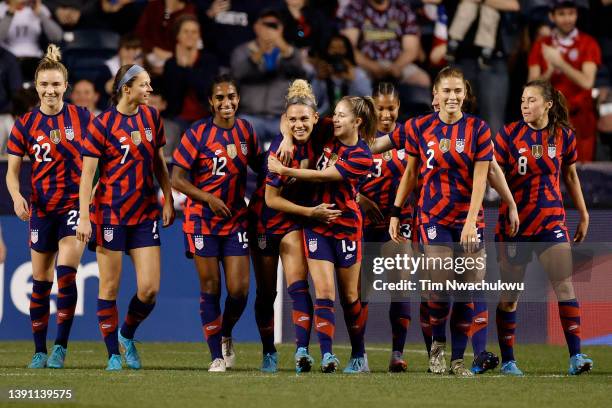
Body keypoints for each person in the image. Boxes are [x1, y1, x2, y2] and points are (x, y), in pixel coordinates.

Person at [388, 66, 493, 377]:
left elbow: (481, 179)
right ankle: (438, 344)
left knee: (468, 286)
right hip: (433, 215)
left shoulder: (478, 129)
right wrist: (396, 211)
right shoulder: (421, 127)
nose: (452, 96)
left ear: (465, 94)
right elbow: (410, 173)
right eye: (446, 91)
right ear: (436, 94)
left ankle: (458, 360)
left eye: (457, 91)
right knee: (441, 285)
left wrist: (471, 222)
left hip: (469, 217)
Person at [77, 64, 175, 371]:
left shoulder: (151, 118)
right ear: (126, 88)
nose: (149, 90)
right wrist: (83, 217)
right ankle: (113, 355)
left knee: (149, 289)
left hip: (145, 214)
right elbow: (87, 175)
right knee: (109, 287)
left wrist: (168, 197)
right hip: (110, 214)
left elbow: (159, 162)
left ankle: (127, 334)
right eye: (144, 85)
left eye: (150, 85)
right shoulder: (102, 124)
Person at [268, 96, 375, 374]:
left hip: (346, 225)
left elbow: (322, 176)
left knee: (350, 297)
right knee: (324, 291)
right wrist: (286, 139)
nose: (335, 119)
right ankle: (327, 355)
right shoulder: (328, 132)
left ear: (357, 122)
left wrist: (284, 169)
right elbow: (293, 116)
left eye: (341, 116)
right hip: (317, 224)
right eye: (335, 115)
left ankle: (359, 354)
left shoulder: (362, 156)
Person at [493, 79, 592, 376]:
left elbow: (571, 178)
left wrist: (584, 214)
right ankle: (508, 361)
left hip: (551, 222)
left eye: (532, 100)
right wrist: (508, 203)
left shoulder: (563, 137)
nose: (525, 105)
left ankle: (576, 356)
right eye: (523, 100)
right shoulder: (508, 135)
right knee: (510, 296)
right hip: (515, 225)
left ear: (548, 104)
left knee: (564, 284)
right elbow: (492, 173)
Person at [6, 44, 93, 369]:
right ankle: (39, 350)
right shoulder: (25, 125)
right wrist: (16, 197)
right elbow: (12, 173)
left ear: (65, 86)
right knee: (41, 283)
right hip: (41, 210)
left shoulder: (82, 118)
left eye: (56, 84)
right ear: (36, 86)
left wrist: (88, 205)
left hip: (73, 206)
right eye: (44, 84)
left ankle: (60, 348)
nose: (50, 90)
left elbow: (96, 165)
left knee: (66, 275)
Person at [171, 75, 262, 373]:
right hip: (201, 221)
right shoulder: (197, 134)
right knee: (210, 288)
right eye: (220, 98)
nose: (227, 103)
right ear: (210, 102)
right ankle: (216, 357)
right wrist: (208, 198)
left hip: (235, 219)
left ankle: (225, 333)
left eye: (231, 96)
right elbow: (177, 179)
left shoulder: (247, 131)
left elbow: (261, 169)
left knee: (239, 291)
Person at [248, 79, 340, 373]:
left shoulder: (322, 129)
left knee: (297, 285)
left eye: (304, 119)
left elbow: (345, 122)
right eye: (293, 121)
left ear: (314, 117)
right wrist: (310, 212)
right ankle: (267, 351)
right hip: (266, 218)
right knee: (265, 294)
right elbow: (271, 199)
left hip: (295, 220)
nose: (299, 125)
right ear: (285, 122)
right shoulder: (279, 150)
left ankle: (303, 351)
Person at [358, 82, 413, 372]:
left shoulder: (408, 137)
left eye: (391, 108)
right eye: (380, 108)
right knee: (361, 291)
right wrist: (360, 199)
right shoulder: (359, 137)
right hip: (362, 224)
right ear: (371, 107)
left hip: (398, 221)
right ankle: (360, 355)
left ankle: (397, 354)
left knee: (400, 284)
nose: (386, 114)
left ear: (398, 108)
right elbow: (338, 178)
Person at [528, 0, 601, 162]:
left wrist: (560, 63)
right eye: (561, 14)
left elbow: (587, 82)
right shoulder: (541, 45)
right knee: (547, 173)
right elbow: (530, 87)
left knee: (582, 175)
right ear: (551, 16)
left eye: (571, 14)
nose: (567, 19)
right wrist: (549, 70)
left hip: (580, 121)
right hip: (548, 122)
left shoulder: (588, 43)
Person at [230, 8, 305, 146]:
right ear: (256, 27)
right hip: (251, 116)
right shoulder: (242, 51)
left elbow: (301, 74)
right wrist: (261, 51)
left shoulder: (290, 52)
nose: (269, 29)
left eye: (274, 25)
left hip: (281, 117)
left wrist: (283, 47)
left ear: (281, 28)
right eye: (266, 24)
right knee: (242, 132)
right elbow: (238, 74)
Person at [340, 0, 430, 87]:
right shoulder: (355, 7)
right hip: (364, 65)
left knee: (423, 80)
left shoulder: (402, 8)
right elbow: (348, 46)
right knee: (357, 79)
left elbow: (411, 49)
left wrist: (396, 67)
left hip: (399, 63)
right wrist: (372, 66)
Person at [162, 15, 219, 129]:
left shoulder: (209, 60)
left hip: (206, 118)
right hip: (177, 119)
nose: (190, 36)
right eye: (186, 31)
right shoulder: (171, 64)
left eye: (194, 32)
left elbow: (205, 90)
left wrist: (186, 68)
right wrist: (179, 67)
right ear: (178, 36)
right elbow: (173, 96)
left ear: (199, 36)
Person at [0, 0, 63, 80]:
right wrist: (10, 13)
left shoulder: (39, 8)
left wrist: (40, 13)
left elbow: (57, 36)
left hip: (35, 59)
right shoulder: (1, 8)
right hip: (8, 59)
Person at [310, 34, 372, 115]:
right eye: (333, 48)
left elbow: (368, 100)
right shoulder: (322, 73)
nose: (337, 52)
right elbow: (311, 102)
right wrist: (318, 79)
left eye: (341, 48)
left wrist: (353, 80)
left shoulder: (358, 73)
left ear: (348, 51)